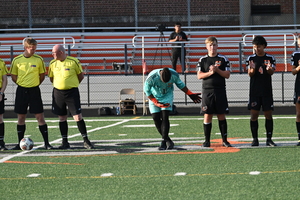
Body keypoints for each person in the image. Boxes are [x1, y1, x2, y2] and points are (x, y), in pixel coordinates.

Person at [10, 38, 53, 150]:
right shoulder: (17, 60)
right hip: (21, 91)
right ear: (25, 47)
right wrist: (22, 84)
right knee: (21, 117)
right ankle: (19, 143)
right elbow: (14, 76)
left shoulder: (39, 59)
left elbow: (42, 75)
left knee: (40, 117)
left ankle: (47, 143)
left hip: (34, 91)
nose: (34, 51)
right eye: (32, 49)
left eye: (35, 49)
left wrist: (34, 84)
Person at [48, 44, 94, 149]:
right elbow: (51, 78)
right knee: (62, 117)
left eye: (53, 53)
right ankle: (65, 142)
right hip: (58, 93)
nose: (52, 55)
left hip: (71, 93)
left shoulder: (73, 61)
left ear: (61, 52)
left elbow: (80, 76)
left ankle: (86, 140)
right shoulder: (52, 63)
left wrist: (70, 84)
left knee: (77, 117)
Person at [144, 67, 201, 150]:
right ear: (160, 76)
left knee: (165, 117)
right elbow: (147, 91)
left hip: (167, 96)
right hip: (154, 96)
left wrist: (190, 94)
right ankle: (168, 140)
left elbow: (180, 85)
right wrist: (156, 102)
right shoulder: (152, 78)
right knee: (155, 118)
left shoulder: (174, 75)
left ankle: (163, 142)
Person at [197, 36, 232, 148]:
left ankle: (225, 140)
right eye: (210, 45)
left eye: (214, 45)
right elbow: (199, 76)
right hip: (207, 91)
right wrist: (210, 73)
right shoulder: (203, 60)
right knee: (207, 115)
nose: (212, 47)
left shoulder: (223, 59)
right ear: (206, 46)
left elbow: (227, 75)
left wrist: (217, 70)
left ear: (217, 45)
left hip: (220, 90)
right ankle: (207, 141)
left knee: (221, 115)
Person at [246, 35, 277, 147]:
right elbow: (250, 74)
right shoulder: (250, 58)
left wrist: (269, 69)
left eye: (258, 46)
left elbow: (272, 72)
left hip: (266, 91)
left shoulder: (270, 58)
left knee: (268, 114)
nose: (256, 48)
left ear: (264, 46)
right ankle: (255, 139)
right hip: (254, 91)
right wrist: (253, 69)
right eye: (255, 46)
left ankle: (269, 139)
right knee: (254, 115)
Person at [291, 36, 300, 146]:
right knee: (299, 113)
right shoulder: (296, 55)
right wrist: (298, 68)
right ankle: (299, 137)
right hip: (299, 86)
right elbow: (293, 71)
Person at [0, 58, 8, 151]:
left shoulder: (1, 63)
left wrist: (1, 93)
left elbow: (5, 79)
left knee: (0, 118)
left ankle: (1, 142)